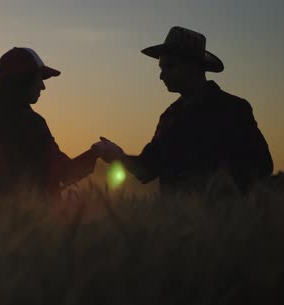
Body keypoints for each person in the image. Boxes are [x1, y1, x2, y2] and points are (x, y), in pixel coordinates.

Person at [93, 26, 273, 194]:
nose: (162, 76)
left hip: (223, 221)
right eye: (161, 68)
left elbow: (262, 166)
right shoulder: (170, 116)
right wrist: (118, 157)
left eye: (169, 67)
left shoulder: (233, 109)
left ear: (193, 66)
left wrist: (210, 181)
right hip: (176, 224)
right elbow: (147, 170)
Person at [0, 47, 100, 198]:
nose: (43, 86)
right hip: (42, 219)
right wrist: (96, 152)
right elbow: (66, 172)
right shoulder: (31, 123)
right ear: (23, 80)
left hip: (0, 219)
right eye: (39, 78)